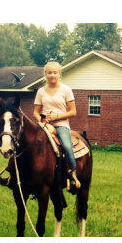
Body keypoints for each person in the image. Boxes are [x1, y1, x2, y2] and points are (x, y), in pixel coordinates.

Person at [33, 61, 80, 193]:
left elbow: (73, 112)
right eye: (49, 72)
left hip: (61, 125)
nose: (52, 75)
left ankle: (72, 175)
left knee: (66, 146)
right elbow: (36, 112)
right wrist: (41, 120)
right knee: (27, 144)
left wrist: (56, 117)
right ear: (45, 74)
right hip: (44, 125)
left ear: (59, 74)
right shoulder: (41, 92)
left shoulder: (66, 90)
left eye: (55, 72)